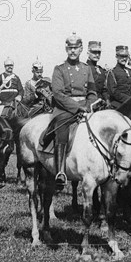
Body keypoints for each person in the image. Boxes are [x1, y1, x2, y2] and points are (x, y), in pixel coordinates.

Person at [50, 32, 97, 189]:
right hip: (65, 108)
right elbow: (58, 94)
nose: (72, 51)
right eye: (70, 48)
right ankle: (60, 171)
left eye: (76, 48)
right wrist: (77, 108)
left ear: (81, 49)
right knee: (61, 129)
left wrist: (90, 105)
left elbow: (92, 91)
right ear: (66, 49)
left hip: (86, 107)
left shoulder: (86, 68)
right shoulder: (60, 69)